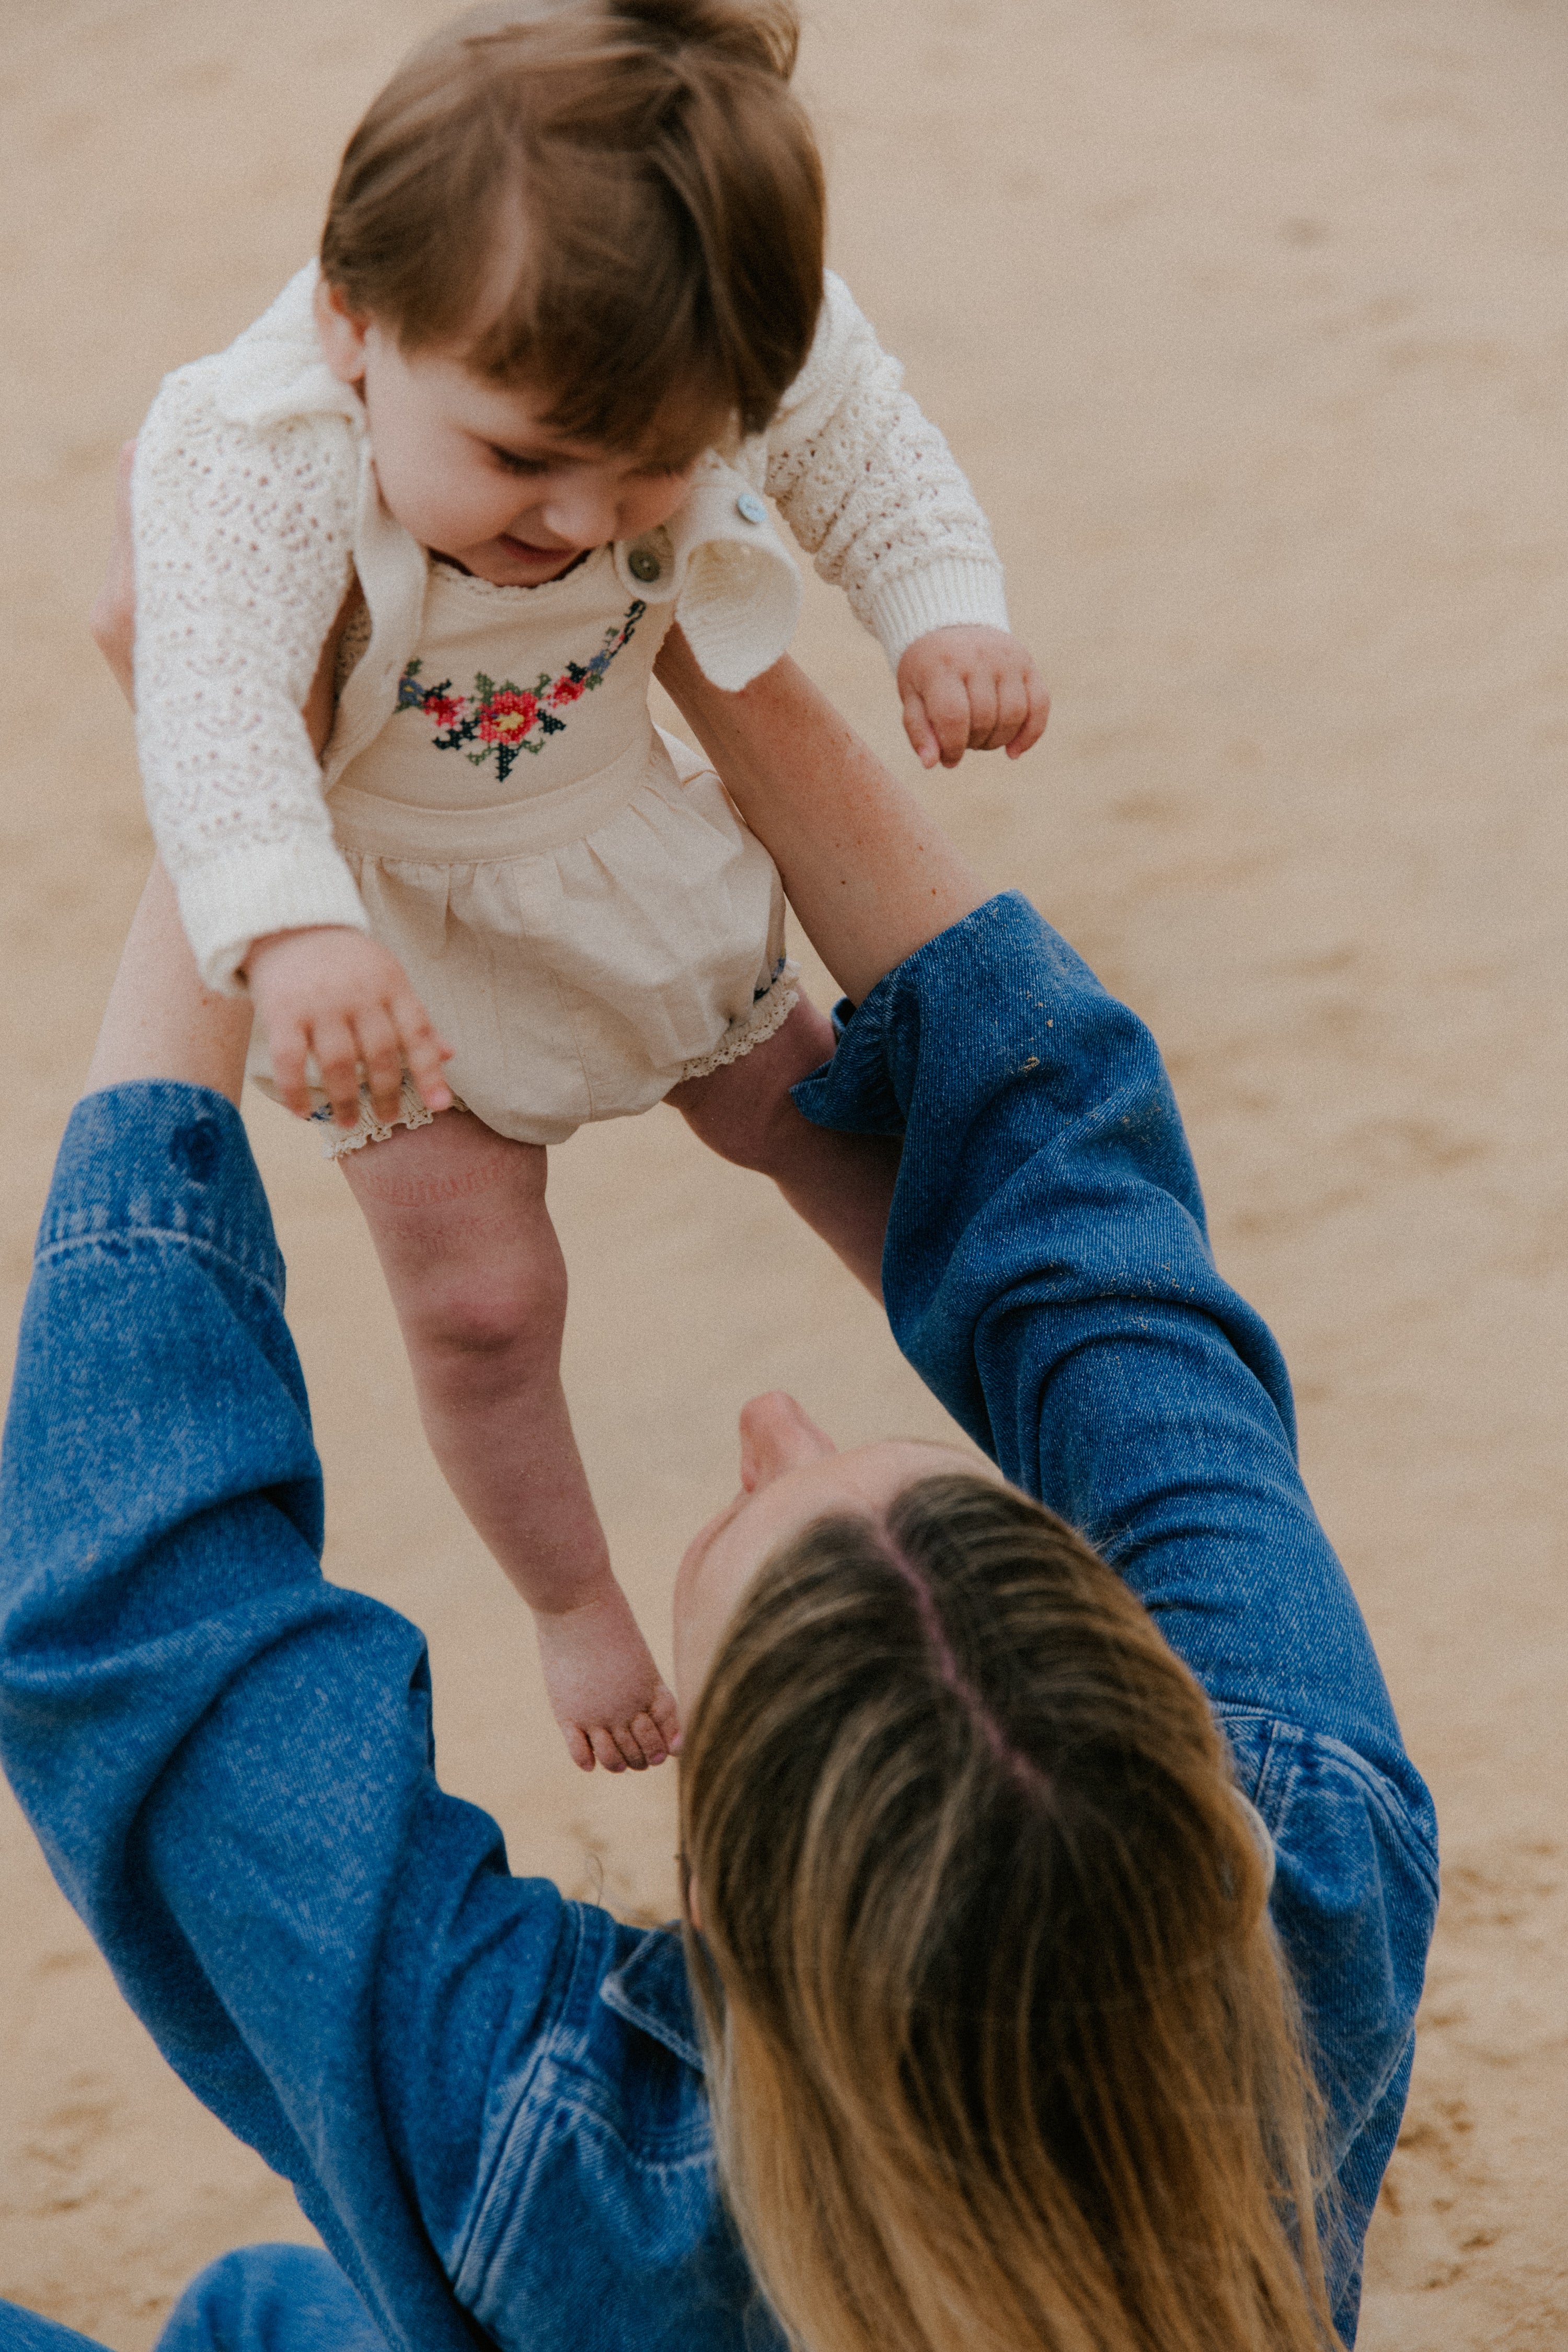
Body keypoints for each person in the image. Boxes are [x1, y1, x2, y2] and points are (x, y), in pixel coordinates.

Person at [0, 635, 1433, 2350]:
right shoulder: (1310, 1876)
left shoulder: (582, 2183)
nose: (776, 1423)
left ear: (720, 1915)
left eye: (748, 1521)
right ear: (1169, 1740)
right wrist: (687, 606)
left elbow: (143, 1620)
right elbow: (1085, 1228)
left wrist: (234, 753)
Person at [128, 0, 1048, 1774]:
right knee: (480, 1300)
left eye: (650, 472)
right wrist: (290, 920)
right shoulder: (253, 448)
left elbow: (857, 437)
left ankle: (1027, 1421)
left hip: (621, 831)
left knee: (832, 1130)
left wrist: (943, 602)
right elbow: (208, 692)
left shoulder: (695, 340)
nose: (572, 520)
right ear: (352, 321)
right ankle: (572, 1601)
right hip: (389, 911)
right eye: (522, 459)